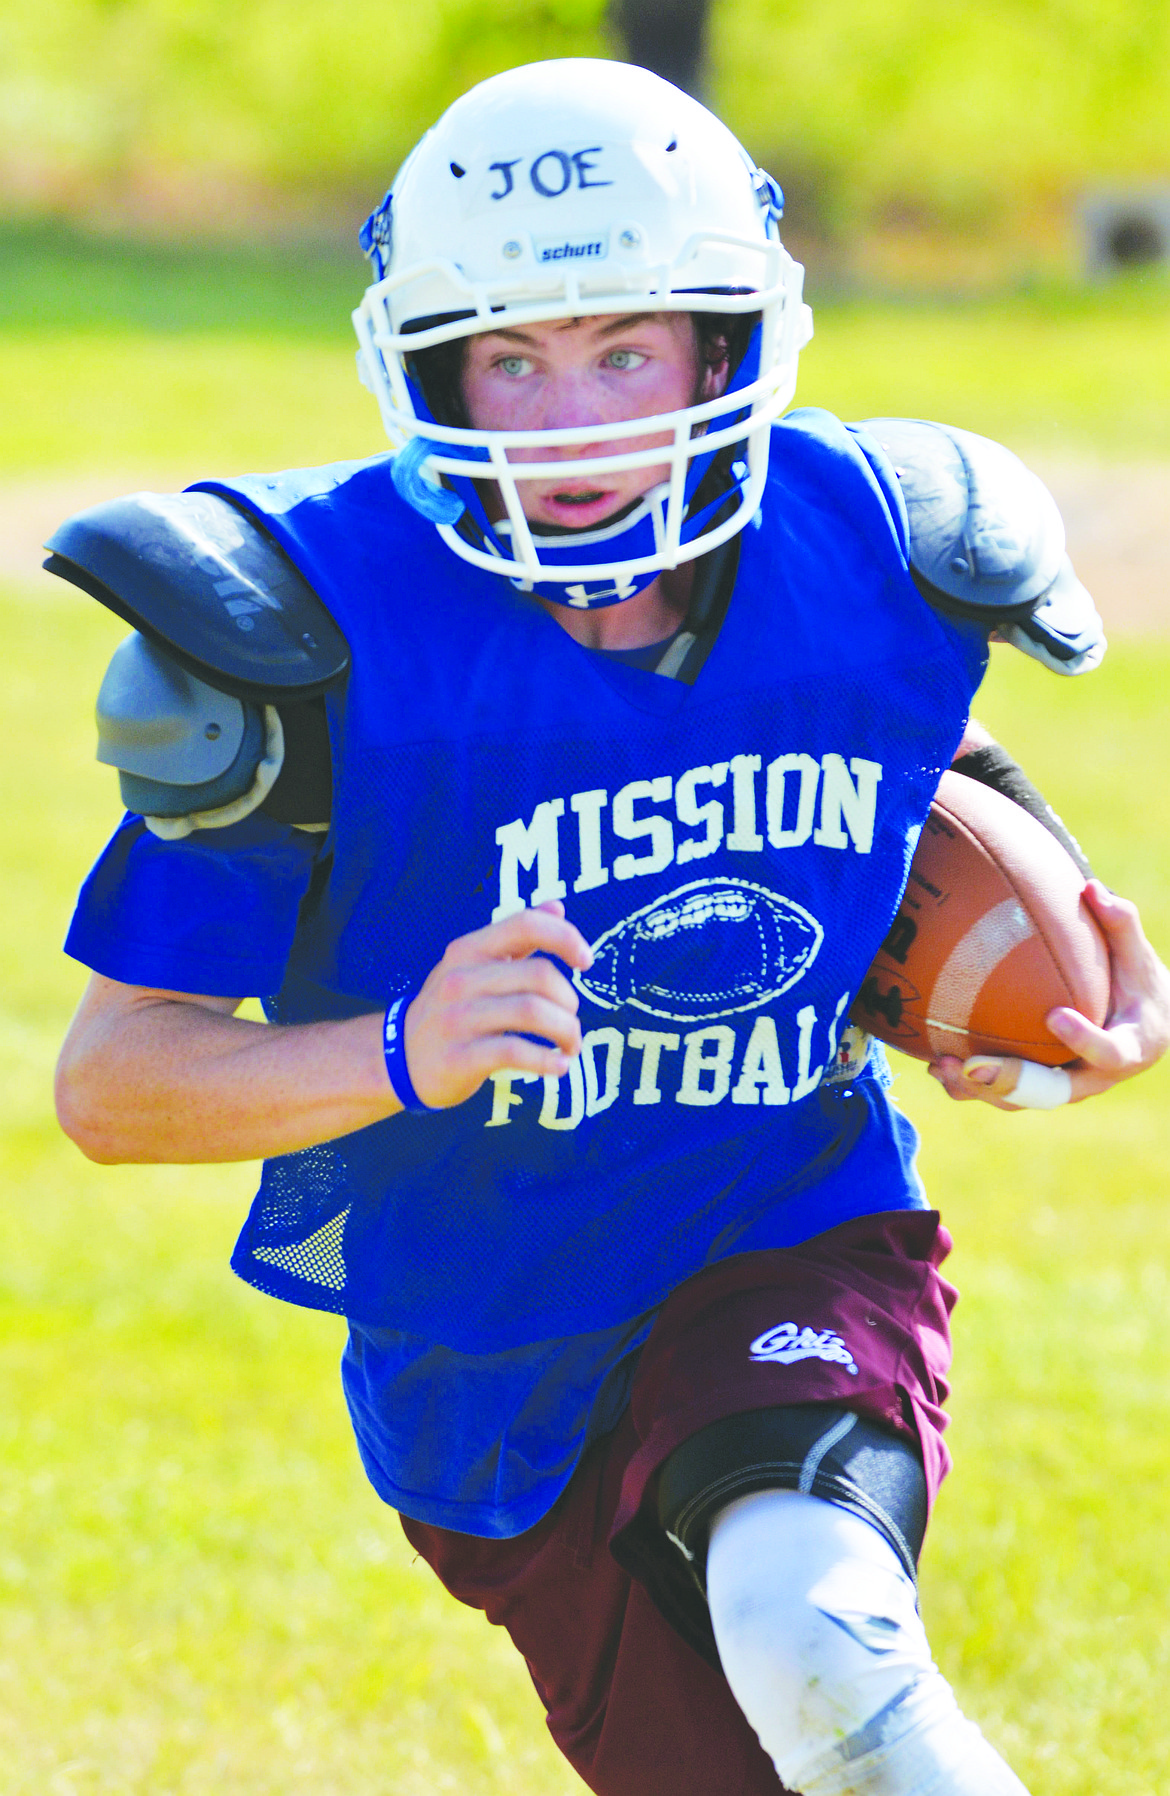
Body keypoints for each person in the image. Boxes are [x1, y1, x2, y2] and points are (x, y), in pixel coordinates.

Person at [49, 59, 1170, 1796]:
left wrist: (1060, 961)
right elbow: (113, 1083)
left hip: (781, 1228)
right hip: (487, 1360)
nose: (568, 423)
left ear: (723, 351)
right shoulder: (306, 638)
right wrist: (398, 1048)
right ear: (428, 367)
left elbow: (915, 760)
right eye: (510, 358)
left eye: (623, 350)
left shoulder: (871, 548)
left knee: (820, 1638)